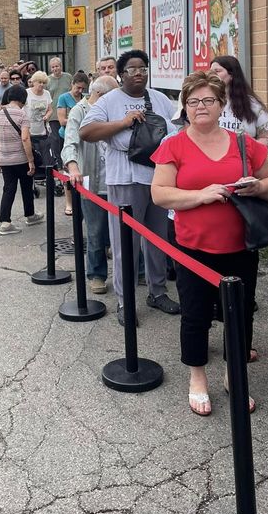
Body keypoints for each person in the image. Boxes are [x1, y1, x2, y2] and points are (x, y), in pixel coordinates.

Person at [151, 71, 268, 415]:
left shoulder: (243, 143)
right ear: (185, 108)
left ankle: (232, 374)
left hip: (240, 246)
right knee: (195, 316)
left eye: (208, 100)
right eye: (193, 102)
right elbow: (160, 194)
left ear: (222, 104)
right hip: (193, 248)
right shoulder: (173, 145)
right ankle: (197, 378)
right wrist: (201, 195)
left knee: (239, 316)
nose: (200, 107)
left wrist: (258, 187)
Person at [80, 49, 180, 325]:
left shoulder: (160, 99)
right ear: (121, 74)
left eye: (143, 69)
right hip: (124, 179)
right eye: (132, 70)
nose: (138, 74)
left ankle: (157, 292)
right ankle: (126, 302)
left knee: (158, 240)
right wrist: (123, 123)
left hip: (159, 179)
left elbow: (177, 133)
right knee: (126, 244)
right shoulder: (110, 100)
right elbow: (86, 132)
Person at [62, 75, 119, 293]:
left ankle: (137, 270)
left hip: (117, 180)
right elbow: (70, 143)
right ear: (100, 95)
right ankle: (97, 275)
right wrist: (73, 167)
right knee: (95, 232)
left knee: (124, 231)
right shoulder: (80, 111)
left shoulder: (115, 109)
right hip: (93, 183)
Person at [0, 84, 43, 235]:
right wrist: (31, 160)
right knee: (27, 187)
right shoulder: (22, 115)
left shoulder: (0, 114)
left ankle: (5, 222)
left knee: (8, 189)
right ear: (23, 99)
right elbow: (25, 138)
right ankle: (30, 215)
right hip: (21, 159)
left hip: (5, 159)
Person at [210, 56, 268, 149]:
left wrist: (247, 147)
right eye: (210, 72)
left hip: (242, 160)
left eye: (217, 71)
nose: (212, 75)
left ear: (231, 74)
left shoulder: (252, 105)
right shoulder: (204, 103)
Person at [58, 71, 90, 217]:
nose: (80, 91)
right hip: (67, 136)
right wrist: (77, 119)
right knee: (68, 172)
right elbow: (62, 120)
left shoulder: (85, 99)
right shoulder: (64, 98)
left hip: (83, 138)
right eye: (77, 87)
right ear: (72, 84)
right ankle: (69, 203)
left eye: (83, 89)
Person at [46, 57, 72, 148]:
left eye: (56, 66)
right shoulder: (47, 80)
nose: (55, 69)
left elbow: (72, 92)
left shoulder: (68, 77)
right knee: (56, 138)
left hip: (67, 112)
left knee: (65, 136)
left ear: (61, 66)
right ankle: (58, 159)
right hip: (53, 114)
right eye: (52, 67)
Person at [26, 71, 53, 138]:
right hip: (28, 131)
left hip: (42, 131)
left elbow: (50, 110)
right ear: (34, 82)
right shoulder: (26, 93)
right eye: (40, 82)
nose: (41, 84)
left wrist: (46, 116)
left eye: (44, 83)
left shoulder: (47, 93)